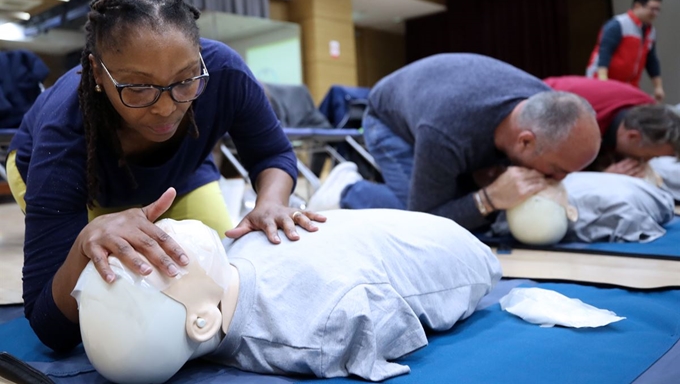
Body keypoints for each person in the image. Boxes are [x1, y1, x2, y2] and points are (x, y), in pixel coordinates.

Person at [4, 0, 325, 353]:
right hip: (73, 182)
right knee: (111, 295)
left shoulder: (224, 72)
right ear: (97, 74)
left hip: (180, 175)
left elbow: (272, 152)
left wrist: (271, 202)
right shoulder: (65, 127)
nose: (166, 108)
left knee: (217, 276)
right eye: (137, 87)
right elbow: (47, 324)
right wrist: (82, 246)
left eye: (186, 80)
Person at [75, 211, 502, 383]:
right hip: (456, 249)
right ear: (200, 321)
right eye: (164, 266)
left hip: (381, 227)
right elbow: (378, 320)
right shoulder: (323, 327)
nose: (164, 234)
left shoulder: (233, 255)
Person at [307, 54, 601, 233]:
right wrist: (489, 198)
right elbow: (427, 221)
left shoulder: (543, 106)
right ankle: (350, 190)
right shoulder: (445, 131)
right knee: (414, 222)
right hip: (388, 121)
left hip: (443, 107)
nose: (561, 179)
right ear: (525, 142)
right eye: (558, 169)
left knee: (473, 214)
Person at [544, 76, 680, 176]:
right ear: (633, 136)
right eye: (649, 156)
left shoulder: (648, 106)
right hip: (541, 117)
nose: (647, 162)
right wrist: (602, 178)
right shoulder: (578, 127)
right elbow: (557, 172)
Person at [586, 0, 664, 101]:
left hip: (629, 84)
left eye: (658, 10)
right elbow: (604, 52)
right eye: (652, 9)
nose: (655, 14)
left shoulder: (651, 32)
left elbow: (651, 60)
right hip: (604, 80)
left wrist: (658, 87)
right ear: (637, 6)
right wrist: (603, 82)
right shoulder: (618, 24)